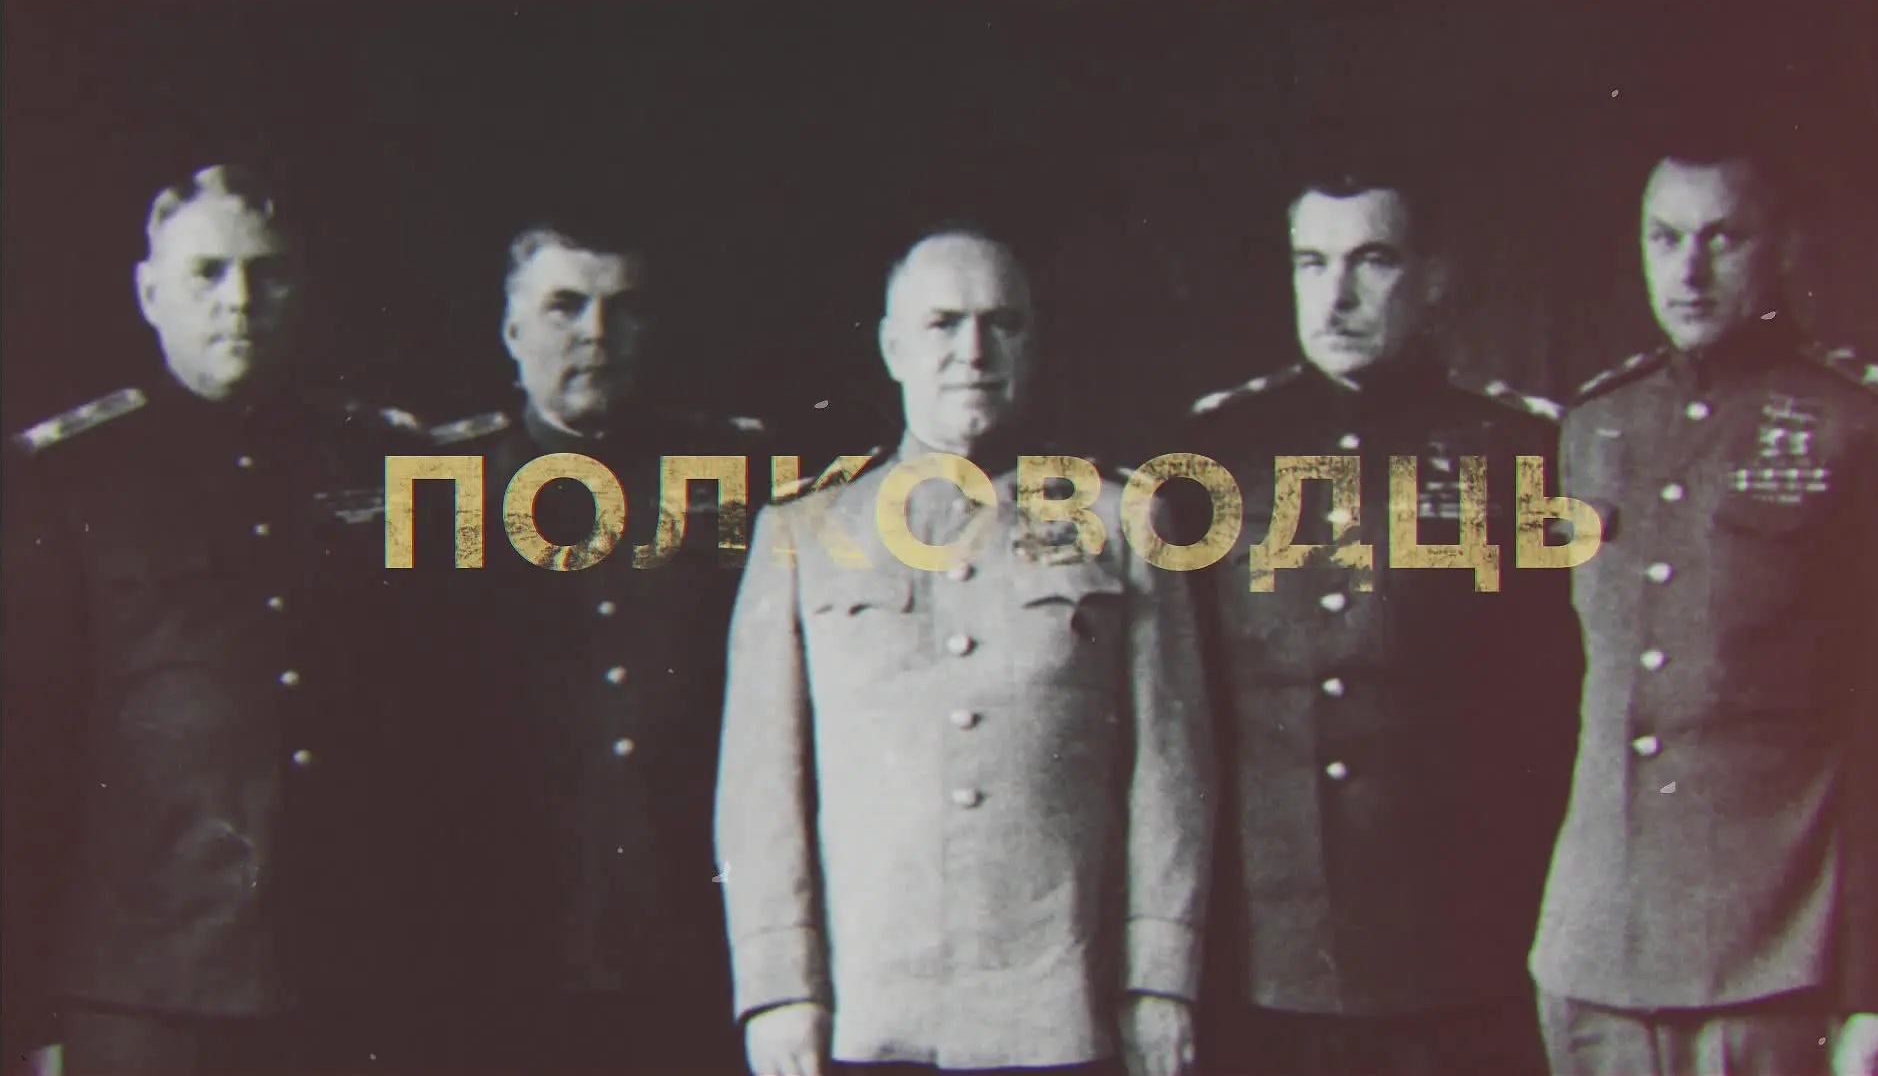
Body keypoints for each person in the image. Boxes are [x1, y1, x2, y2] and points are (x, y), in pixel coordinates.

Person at [715, 226, 1215, 1076]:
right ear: (894, 347)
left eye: (1001, 323)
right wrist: (778, 988)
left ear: (1033, 343)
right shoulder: (805, 533)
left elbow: (1170, 769)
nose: (974, 352)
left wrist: (1159, 978)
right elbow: (761, 789)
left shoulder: (1122, 521)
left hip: (1061, 1006)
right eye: (943, 324)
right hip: (870, 1006)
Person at [0, 163, 425, 1075]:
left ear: (301, 291)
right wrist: (22, 1007)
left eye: (267, 273)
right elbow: (26, 753)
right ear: (149, 293)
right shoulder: (64, 478)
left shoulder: (394, 462)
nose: (239, 300)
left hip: (343, 975)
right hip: (142, 987)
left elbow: (444, 711)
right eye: (208, 273)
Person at [1180, 166, 1583, 1076]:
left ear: (1434, 279)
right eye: (1312, 263)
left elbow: (1556, 702)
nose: (1337, 296)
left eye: (1372, 261)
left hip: (1456, 955)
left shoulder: (1515, 447)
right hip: (1266, 957)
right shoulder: (1220, 449)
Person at [1530, 136, 1878, 1076]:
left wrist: (1877, 989)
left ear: (1784, 248)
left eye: (1723, 239)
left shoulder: (1859, 430)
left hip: (1772, 957)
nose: (1689, 273)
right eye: (1665, 239)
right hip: (1594, 953)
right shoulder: (1594, 426)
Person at [392, 215, 757, 1074]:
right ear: (511, 329)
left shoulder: (723, 477)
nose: (597, 332)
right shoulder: (441, 487)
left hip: (685, 939)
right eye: (565, 307)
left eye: (623, 309)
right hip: (496, 945)